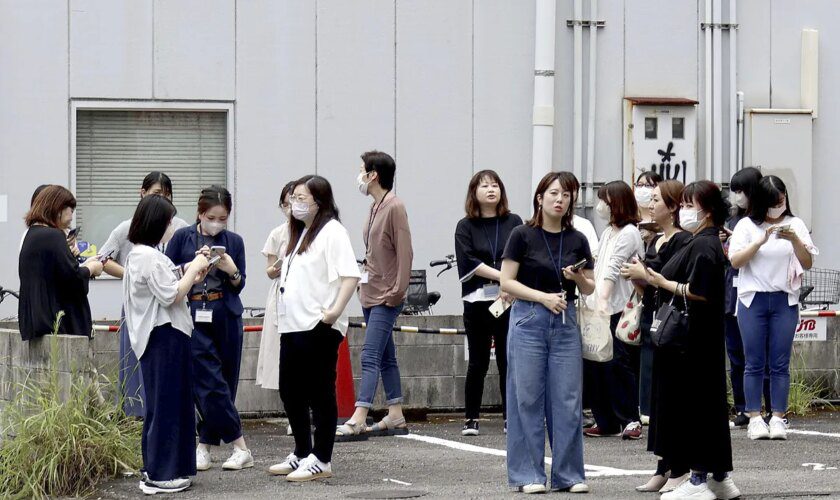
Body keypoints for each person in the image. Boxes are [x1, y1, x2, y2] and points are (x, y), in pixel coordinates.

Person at [642, 180, 740, 500]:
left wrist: (662, 282)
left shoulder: (702, 245)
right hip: (706, 338)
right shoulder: (709, 241)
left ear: (707, 211)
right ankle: (719, 478)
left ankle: (699, 479)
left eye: (688, 205)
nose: (684, 211)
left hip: (696, 339)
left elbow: (700, 292)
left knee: (699, 406)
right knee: (711, 406)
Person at [500, 171, 595, 494]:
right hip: (529, 318)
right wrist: (542, 297)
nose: (560, 199)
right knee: (526, 397)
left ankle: (569, 475)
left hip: (566, 321)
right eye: (554, 193)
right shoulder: (521, 235)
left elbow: (590, 285)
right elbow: (506, 282)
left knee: (568, 400)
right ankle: (528, 475)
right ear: (540, 197)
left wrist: (577, 277)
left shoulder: (577, 238)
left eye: (566, 195)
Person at [269, 175, 361, 482]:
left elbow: (350, 275)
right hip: (292, 324)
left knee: (320, 391)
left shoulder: (332, 231)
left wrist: (333, 312)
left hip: (318, 324)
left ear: (318, 201)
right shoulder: (300, 232)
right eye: (293, 198)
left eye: (301, 198)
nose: (295, 204)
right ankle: (301, 452)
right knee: (290, 390)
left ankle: (321, 458)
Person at [123, 195, 210, 494]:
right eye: (169, 220)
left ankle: (160, 468)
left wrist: (191, 272)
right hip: (165, 336)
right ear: (157, 223)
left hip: (159, 336)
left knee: (162, 405)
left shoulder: (140, 254)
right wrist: (195, 266)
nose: (172, 225)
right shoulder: (147, 256)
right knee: (168, 405)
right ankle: (161, 475)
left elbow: (169, 285)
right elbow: (171, 295)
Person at [165, 186, 253, 471]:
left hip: (225, 313)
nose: (217, 223)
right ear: (200, 213)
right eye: (212, 217)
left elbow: (240, 285)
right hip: (192, 311)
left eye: (223, 218)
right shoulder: (182, 237)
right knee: (207, 380)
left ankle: (204, 445)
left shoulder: (234, 242)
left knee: (225, 381)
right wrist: (193, 265)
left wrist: (230, 269)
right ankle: (239, 446)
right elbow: (168, 273)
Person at [729, 175, 818, 441]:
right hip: (752, 298)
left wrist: (794, 240)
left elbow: (807, 263)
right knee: (753, 361)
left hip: (785, 298)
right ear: (762, 203)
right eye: (774, 202)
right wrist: (759, 242)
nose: (780, 206)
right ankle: (755, 416)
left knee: (780, 362)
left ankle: (778, 416)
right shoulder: (746, 225)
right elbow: (735, 261)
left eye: (782, 200)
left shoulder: (795, 223)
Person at [620, 180, 692, 493]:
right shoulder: (656, 241)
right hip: (654, 320)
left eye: (657, 199)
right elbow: (647, 285)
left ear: (674, 206)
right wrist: (639, 277)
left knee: (674, 398)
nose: (651, 204)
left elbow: (673, 281)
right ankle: (662, 465)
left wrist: (643, 275)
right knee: (657, 397)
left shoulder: (684, 241)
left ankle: (680, 466)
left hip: (676, 327)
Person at [336, 151, 413, 438]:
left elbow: (405, 251)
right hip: (371, 291)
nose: (359, 176)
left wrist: (398, 291)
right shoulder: (373, 207)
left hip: (387, 295)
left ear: (373, 175)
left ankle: (359, 415)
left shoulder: (395, 207)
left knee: (369, 354)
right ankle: (395, 414)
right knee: (384, 355)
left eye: (362, 170)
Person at [100, 171, 190, 417]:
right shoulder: (128, 231)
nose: (163, 200)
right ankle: (134, 413)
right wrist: (134, 275)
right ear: (142, 193)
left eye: (167, 195)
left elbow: (178, 269)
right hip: (141, 304)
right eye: (157, 194)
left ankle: (156, 415)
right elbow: (103, 259)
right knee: (135, 359)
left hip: (167, 309)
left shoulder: (180, 227)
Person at [454, 170, 523, 436]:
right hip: (477, 301)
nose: (491, 190)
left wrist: (509, 286)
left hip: (508, 300)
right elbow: (468, 262)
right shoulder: (465, 226)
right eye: (484, 186)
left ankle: (510, 417)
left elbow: (522, 256)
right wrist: (504, 278)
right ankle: (471, 417)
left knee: (508, 359)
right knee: (478, 361)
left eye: (495, 185)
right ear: (474, 192)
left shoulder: (514, 222)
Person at [583, 181, 645, 440]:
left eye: (605, 201)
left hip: (615, 307)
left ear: (617, 204)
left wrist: (602, 300)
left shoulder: (629, 232)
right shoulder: (610, 231)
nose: (601, 206)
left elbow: (613, 269)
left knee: (618, 364)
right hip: (599, 305)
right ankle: (606, 419)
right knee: (596, 364)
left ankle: (630, 418)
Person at [18, 185, 103, 339]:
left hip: (36, 322)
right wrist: (91, 268)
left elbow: (55, 274)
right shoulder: (54, 236)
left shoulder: (32, 235)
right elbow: (72, 279)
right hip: (58, 324)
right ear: (57, 209)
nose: (71, 215)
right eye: (70, 208)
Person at [722, 167, 772, 428]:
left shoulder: (766, 222)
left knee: (760, 355)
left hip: (756, 294)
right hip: (732, 293)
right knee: (737, 354)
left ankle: (770, 408)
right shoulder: (732, 221)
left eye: (740, 190)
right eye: (733, 190)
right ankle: (743, 408)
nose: (736, 196)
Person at [255, 181, 296, 391]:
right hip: (280, 293)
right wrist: (279, 268)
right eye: (286, 204)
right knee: (278, 350)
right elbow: (269, 270)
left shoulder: (314, 232)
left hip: (303, 295)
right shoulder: (277, 233)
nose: (290, 209)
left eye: (295, 202)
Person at [634, 171, 663, 245]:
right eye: (639, 185)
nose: (643, 189)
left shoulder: (663, 216)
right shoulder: (630, 215)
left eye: (648, 185)